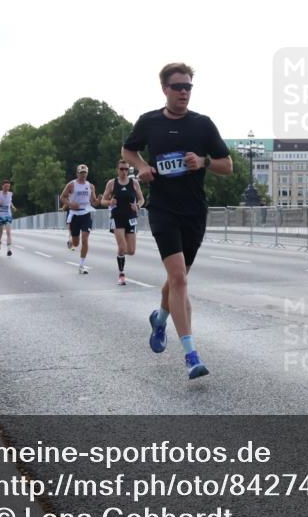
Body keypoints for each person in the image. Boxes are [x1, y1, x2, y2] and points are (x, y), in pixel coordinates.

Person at [123, 62, 233, 380]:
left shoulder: (203, 125)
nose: (184, 92)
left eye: (188, 87)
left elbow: (227, 165)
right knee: (180, 280)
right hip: (162, 209)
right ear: (165, 89)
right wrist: (142, 167)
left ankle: (160, 318)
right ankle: (190, 354)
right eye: (178, 87)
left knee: (177, 279)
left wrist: (204, 161)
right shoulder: (150, 122)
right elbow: (128, 150)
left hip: (194, 212)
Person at [100, 160, 145, 285]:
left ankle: (120, 254)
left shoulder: (134, 183)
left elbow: (141, 199)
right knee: (122, 247)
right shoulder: (112, 183)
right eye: (122, 169)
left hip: (131, 217)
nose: (124, 171)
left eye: (126, 169)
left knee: (131, 251)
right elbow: (103, 200)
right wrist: (109, 202)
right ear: (117, 170)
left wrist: (137, 206)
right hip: (117, 218)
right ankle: (121, 275)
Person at [60, 164, 98, 273]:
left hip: (86, 214)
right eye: (81, 173)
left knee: (85, 239)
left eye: (85, 173)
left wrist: (98, 200)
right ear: (77, 173)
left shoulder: (90, 186)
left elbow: (94, 202)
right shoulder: (72, 185)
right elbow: (62, 197)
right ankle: (72, 241)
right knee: (76, 243)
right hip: (74, 214)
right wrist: (70, 204)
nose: (83, 175)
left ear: (87, 173)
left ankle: (81, 265)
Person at [0, 180, 16, 256]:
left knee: (8, 232)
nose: (7, 188)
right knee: (0, 232)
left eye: (8, 186)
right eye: (5, 186)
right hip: (0, 215)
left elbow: (10, 202)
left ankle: (9, 249)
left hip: (8, 214)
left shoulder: (10, 194)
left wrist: (13, 207)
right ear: (2, 186)